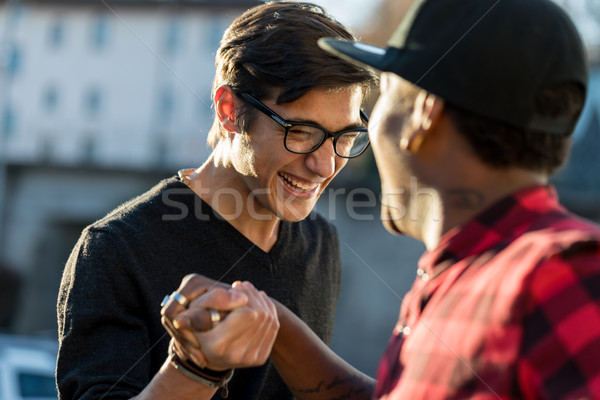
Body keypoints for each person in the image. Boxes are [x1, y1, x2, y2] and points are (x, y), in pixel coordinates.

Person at [164, 0, 600, 398]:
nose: (324, 163)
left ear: (423, 113)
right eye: (301, 132)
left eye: (383, 95)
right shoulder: (467, 276)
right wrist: (273, 325)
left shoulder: (566, 277)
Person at [55, 2, 377, 399]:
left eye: (345, 136)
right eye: (302, 131)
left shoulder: (320, 242)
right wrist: (192, 369)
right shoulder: (114, 250)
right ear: (229, 110)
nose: (325, 164)